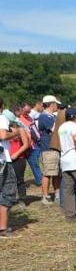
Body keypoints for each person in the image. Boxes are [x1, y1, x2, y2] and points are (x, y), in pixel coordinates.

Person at [38, 95, 63, 204]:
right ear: (51, 104)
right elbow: (54, 129)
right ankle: (45, 196)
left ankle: (57, 194)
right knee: (48, 173)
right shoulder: (44, 117)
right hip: (48, 148)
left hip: (54, 147)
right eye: (55, 104)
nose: (56, 106)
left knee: (57, 172)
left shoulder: (51, 116)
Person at [0, 100, 19, 236]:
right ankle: (3, 228)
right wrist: (15, 133)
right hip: (2, 161)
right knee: (7, 192)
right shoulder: (1, 118)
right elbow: (3, 135)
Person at [8, 115, 31, 207]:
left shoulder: (20, 130)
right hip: (7, 158)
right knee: (7, 180)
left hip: (19, 158)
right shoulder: (4, 131)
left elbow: (26, 145)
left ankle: (22, 199)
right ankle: (10, 199)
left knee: (19, 180)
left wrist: (16, 154)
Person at [19, 104, 42, 187]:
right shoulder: (19, 119)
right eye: (26, 112)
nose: (27, 113)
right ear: (21, 110)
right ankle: (39, 179)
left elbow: (34, 129)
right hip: (26, 144)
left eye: (29, 112)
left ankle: (39, 179)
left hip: (34, 143)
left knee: (34, 162)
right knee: (33, 162)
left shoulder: (30, 118)